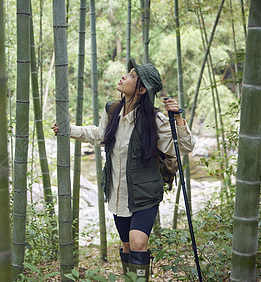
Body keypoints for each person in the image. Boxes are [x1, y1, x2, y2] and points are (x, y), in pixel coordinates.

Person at [51, 58, 195, 281]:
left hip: (145, 194)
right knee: (128, 246)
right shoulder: (113, 110)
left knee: (138, 242)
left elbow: (185, 146)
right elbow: (99, 135)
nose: (124, 76)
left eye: (132, 75)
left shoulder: (155, 119)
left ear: (142, 89)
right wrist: (69, 130)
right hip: (118, 193)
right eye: (127, 73)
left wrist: (178, 119)